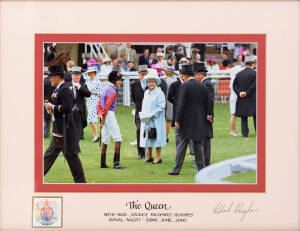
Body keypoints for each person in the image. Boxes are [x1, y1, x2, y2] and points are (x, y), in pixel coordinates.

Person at [43, 64, 86, 183]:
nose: (50, 79)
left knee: (71, 159)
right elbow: (60, 108)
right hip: (60, 131)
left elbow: (67, 108)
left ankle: (82, 185)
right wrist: (51, 108)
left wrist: (53, 107)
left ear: (57, 77)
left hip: (65, 131)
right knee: (51, 158)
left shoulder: (65, 89)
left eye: (51, 76)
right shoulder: (60, 89)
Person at [168, 64, 212, 175]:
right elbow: (208, 102)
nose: (181, 77)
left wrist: (177, 120)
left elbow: (181, 105)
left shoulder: (185, 86)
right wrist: (208, 115)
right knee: (198, 146)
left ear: (186, 75)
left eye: (182, 74)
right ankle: (201, 169)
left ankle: (176, 169)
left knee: (182, 145)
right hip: (199, 119)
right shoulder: (202, 86)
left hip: (186, 120)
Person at [97, 71, 126, 169]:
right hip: (108, 114)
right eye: (119, 80)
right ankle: (116, 163)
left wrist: (100, 115)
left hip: (103, 114)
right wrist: (103, 120)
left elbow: (99, 104)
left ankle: (102, 163)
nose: (120, 82)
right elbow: (106, 107)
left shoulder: (105, 89)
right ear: (114, 80)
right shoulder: (112, 91)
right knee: (118, 137)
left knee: (105, 138)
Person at [139, 69, 166, 164]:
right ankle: (149, 156)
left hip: (157, 119)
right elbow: (144, 105)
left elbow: (162, 106)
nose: (151, 83)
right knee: (148, 137)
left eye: (153, 82)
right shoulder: (146, 92)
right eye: (149, 82)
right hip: (147, 119)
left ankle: (158, 157)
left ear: (156, 82)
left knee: (157, 137)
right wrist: (142, 114)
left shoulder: (159, 92)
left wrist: (153, 114)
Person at [193, 62, 214, 166]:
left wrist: (209, 114)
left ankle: (205, 162)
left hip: (206, 116)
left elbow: (210, 100)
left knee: (205, 140)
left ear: (201, 74)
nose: (195, 77)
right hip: (203, 115)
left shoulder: (207, 84)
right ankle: (202, 161)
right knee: (203, 139)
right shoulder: (204, 83)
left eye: (196, 74)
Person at [233, 56, 257, 137]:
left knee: (244, 117)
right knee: (256, 116)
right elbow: (254, 85)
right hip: (253, 98)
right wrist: (247, 92)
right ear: (253, 64)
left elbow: (234, 85)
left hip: (242, 98)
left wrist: (239, 93)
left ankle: (245, 133)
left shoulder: (239, 74)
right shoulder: (255, 74)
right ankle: (258, 131)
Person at [65, 66, 91, 140]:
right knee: (70, 133)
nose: (77, 76)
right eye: (75, 75)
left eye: (78, 75)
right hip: (70, 111)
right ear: (72, 75)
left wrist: (79, 87)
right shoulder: (67, 85)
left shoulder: (83, 85)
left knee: (78, 134)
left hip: (79, 111)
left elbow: (88, 94)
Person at [130, 65, 148, 160]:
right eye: (141, 74)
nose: (143, 76)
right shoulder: (134, 84)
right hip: (139, 110)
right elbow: (133, 96)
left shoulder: (151, 84)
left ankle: (147, 151)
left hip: (148, 111)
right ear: (139, 75)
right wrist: (138, 106)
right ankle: (140, 152)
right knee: (139, 129)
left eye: (145, 74)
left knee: (148, 131)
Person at [85, 66, 102, 142]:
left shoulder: (98, 81)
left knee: (91, 119)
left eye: (92, 72)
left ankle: (96, 136)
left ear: (94, 73)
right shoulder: (87, 82)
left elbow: (101, 92)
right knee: (92, 119)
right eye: (89, 72)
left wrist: (92, 92)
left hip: (95, 101)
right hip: (88, 101)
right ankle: (97, 135)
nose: (90, 74)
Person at [164, 66, 178, 143]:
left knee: (168, 120)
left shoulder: (167, 81)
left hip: (169, 101)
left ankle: (165, 137)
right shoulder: (176, 79)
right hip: (175, 101)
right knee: (173, 120)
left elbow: (166, 93)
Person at [229, 65, 243, 136]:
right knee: (233, 114)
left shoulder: (234, 79)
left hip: (234, 98)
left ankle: (234, 130)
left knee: (234, 115)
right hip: (234, 99)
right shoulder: (234, 79)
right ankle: (232, 131)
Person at [43, 67, 54, 138]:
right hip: (52, 101)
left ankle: (45, 134)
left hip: (45, 101)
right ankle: (53, 133)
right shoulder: (51, 80)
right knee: (52, 119)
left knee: (45, 120)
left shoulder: (43, 81)